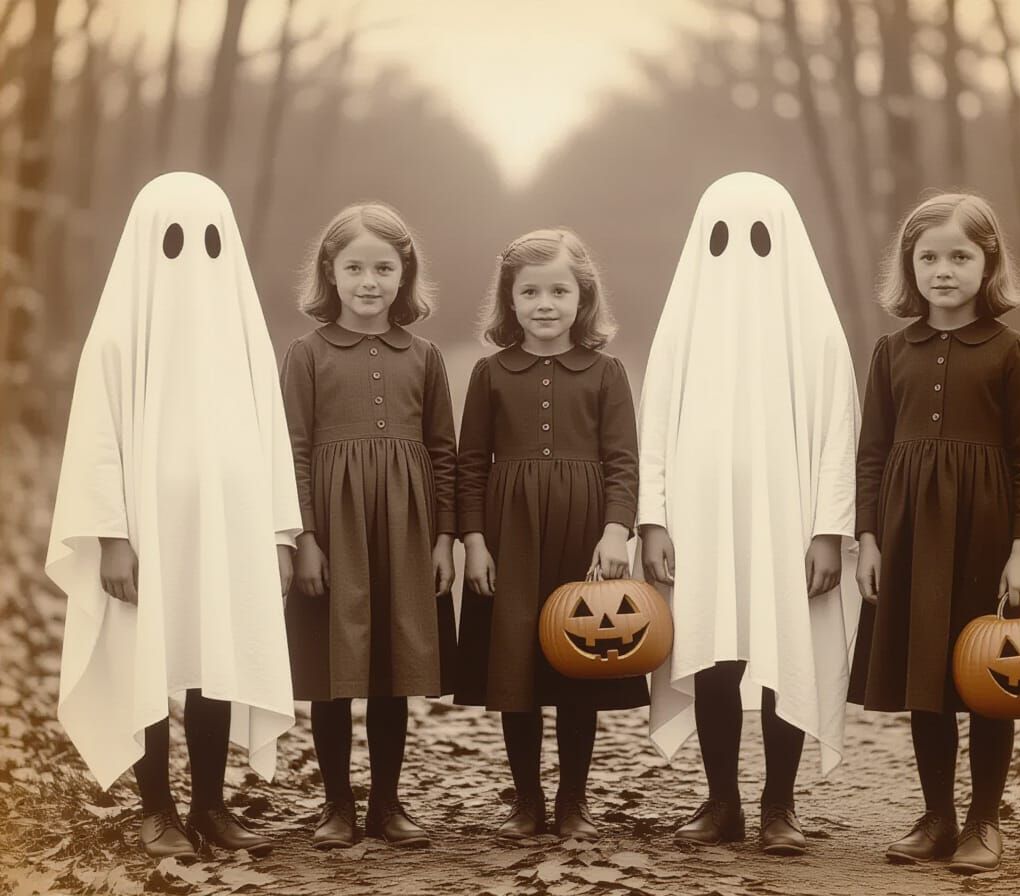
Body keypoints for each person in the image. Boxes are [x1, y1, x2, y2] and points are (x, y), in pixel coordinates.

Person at [46, 172, 300, 860]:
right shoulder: (119, 336)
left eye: (212, 239)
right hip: (146, 535)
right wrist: (112, 537)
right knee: (150, 661)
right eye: (177, 240)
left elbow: (270, 433)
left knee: (216, 656)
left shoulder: (243, 328)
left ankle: (211, 806)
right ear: (144, 242)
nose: (196, 256)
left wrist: (279, 534)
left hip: (228, 530)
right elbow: (98, 439)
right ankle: (156, 807)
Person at [637, 173, 862, 854]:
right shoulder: (681, 327)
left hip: (788, 524)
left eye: (760, 237)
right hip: (700, 524)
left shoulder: (815, 330)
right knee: (710, 654)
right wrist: (654, 519)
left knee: (783, 649)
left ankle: (779, 806)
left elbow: (838, 435)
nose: (740, 253)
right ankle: (722, 802)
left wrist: (830, 529)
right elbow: (654, 430)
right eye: (722, 237)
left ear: (787, 239)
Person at [848, 192, 1020, 874]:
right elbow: (872, 452)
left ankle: (984, 819)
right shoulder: (890, 352)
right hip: (909, 533)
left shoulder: (1013, 352)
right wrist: (869, 538)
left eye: (960, 256)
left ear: (987, 263)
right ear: (909, 266)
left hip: (987, 535)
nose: (943, 270)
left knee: (991, 674)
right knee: (926, 674)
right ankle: (936, 814)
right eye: (928, 256)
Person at [455, 228, 648, 841]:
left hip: (582, 535)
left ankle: (573, 801)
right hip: (511, 536)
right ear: (508, 300)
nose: (545, 303)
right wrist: (475, 541)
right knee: (515, 669)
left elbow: (623, 460)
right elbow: (468, 463)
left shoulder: (606, 372)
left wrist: (616, 531)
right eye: (530, 290)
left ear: (582, 296)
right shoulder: (491, 374)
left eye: (559, 290)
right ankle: (527, 800)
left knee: (576, 665)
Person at [280, 203, 457, 850]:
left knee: (393, 664)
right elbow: (293, 450)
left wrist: (443, 537)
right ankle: (336, 804)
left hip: (406, 530)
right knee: (336, 666)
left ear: (404, 273)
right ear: (330, 272)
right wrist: (303, 538)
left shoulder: (426, 356)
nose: (368, 282)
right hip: (334, 527)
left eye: (383, 267)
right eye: (354, 267)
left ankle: (387, 801)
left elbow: (444, 450)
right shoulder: (306, 354)